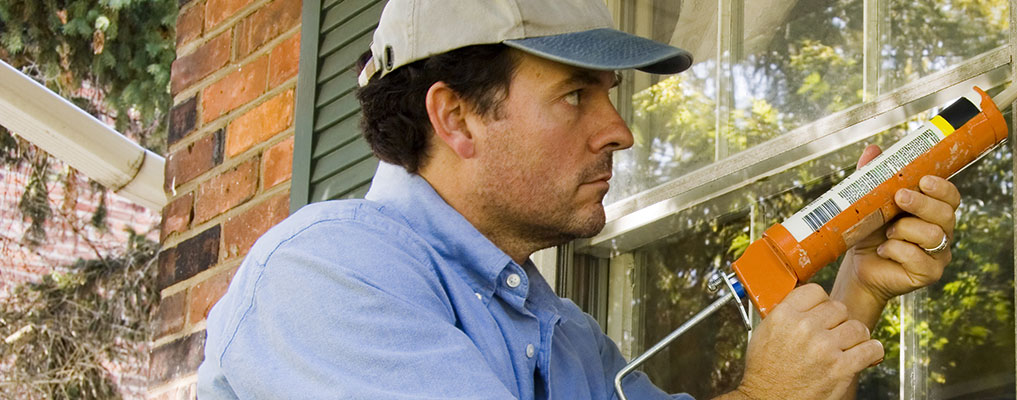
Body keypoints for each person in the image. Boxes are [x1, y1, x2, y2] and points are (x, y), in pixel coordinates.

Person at [196, 0, 962, 398]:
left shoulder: (564, 337)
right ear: (455, 117)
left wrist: (857, 287)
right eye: (573, 95)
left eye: (609, 93)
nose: (619, 131)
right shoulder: (326, 277)